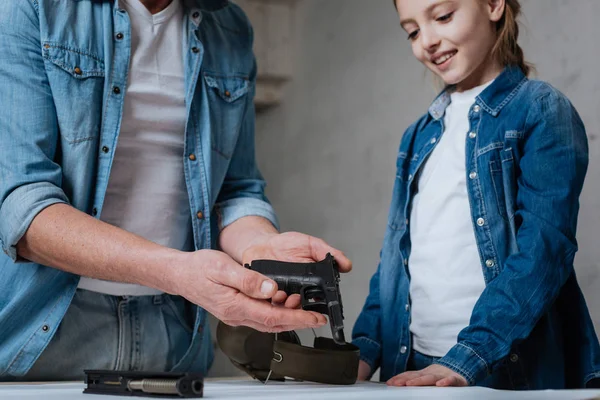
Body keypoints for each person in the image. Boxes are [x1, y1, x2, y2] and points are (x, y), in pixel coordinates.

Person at [0, 0, 351, 381]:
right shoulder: (33, 8)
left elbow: (236, 189)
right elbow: (23, 207)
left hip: (175, 329)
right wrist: (177, 272)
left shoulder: (230, 27)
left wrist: (263, 247)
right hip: (45, 329)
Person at [352, 0, 600, 389]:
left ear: (493, 5)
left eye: (443, 17)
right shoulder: (418, 135)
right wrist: (363, 352)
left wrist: (468, 357)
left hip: (501, 363)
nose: (427, 42)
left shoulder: (540, 110)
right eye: (413, 32)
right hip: (413, 362)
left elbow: (545, 248)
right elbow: (395, 261)